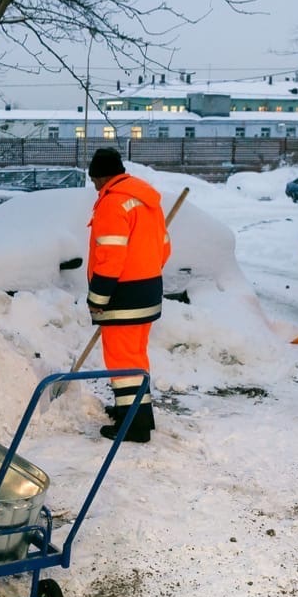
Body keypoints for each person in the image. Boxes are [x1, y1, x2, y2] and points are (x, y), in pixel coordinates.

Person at [85, 147, 170, 443]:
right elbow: (164, 249)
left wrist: (97, 298)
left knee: (122, 363)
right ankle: (135, 413)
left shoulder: (112, 203)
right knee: (135, 360)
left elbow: (110, 258)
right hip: (148, 293)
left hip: (123, 298)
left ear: (100, 176)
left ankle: (134, 427)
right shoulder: (148, 201)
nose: (95, 187)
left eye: (95, 180)